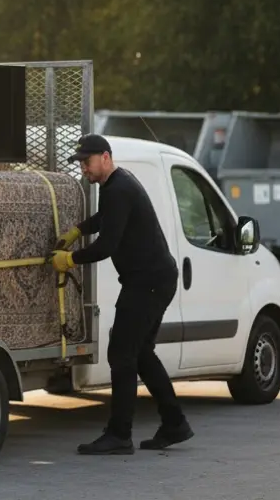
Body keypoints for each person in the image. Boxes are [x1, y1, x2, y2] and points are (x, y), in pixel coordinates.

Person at [48, 134, 194, 456]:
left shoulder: (120, 188)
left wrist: (69, 260)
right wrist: (78, 230)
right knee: (141, 353)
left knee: (122, 355)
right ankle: (175, 424)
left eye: (87, 162)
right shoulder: (117, 186)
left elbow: (108, 245)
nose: (84, 169)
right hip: (155, 279)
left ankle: (119, 435)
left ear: (105, 157)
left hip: (147, 283)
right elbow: (107, 220)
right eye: (81, 164)